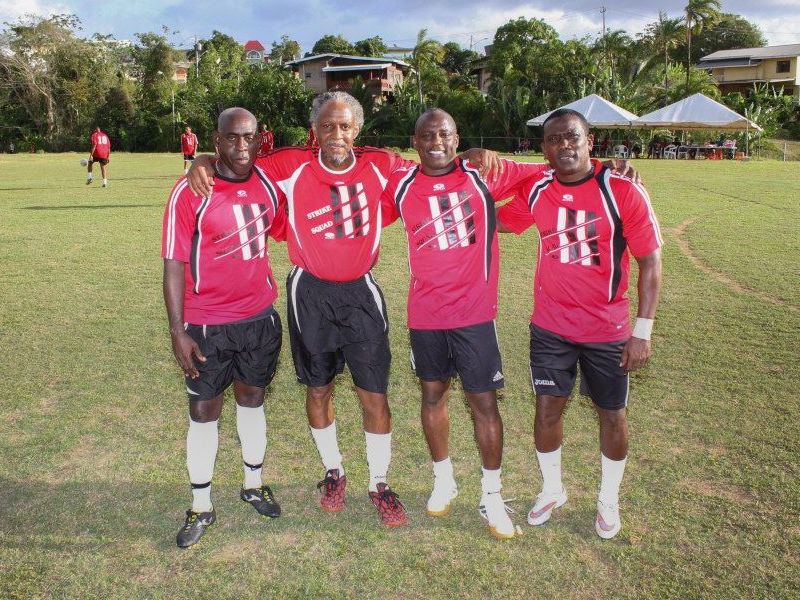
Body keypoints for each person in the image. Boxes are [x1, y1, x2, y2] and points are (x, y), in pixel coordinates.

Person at [187, 91, 502, 528]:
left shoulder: (382, 164)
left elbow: (437, 160)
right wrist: (200, 158)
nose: (337, 134)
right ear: (315, 131)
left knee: (374, 391)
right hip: (308, 293)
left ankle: (378, 481)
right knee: (318, 388)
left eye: (345, 126)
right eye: (327, 126)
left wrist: (471, 153)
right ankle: (333, 472)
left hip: (361, 293)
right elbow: (236, 159)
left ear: (357, 129)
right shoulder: (288, 164)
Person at [381, 109, 551, 539]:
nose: (436, 141)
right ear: (415, 142)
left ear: (458, 139)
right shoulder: (400, 184)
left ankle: (491, 494)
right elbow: (356, 174)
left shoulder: (485, 172)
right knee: (432, 395)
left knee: (484, 403)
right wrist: (207, 162)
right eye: (427, 135)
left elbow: (554, 170)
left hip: (475, 316)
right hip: (425, 315)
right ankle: (444, 480)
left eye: (445, 134)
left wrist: (507, 219)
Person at [497, 108, 663, 540]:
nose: (563, 146)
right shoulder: (538, 189)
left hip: (607, 330)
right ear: (545, 149)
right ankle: (552, 489)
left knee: (612, 414)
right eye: (553, 140)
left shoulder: (622, 189)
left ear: (590, 141)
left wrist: (641, 332)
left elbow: (650, 263)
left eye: (571, 137)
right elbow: (501, 219)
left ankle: (608, 499)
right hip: (550, 326)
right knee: (547, 409)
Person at [162, 107, 286, 548]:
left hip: (259, 319)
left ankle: (253, 485)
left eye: (248, 138)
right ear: (216, 141)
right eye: (231, 138)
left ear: (259, 139)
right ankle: (200, 505)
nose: (240, 147)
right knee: (204, 412)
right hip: (207, 325)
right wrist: (178, 330)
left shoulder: (270, 185)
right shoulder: (190, 191)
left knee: (252, 401)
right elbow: (174, 262)